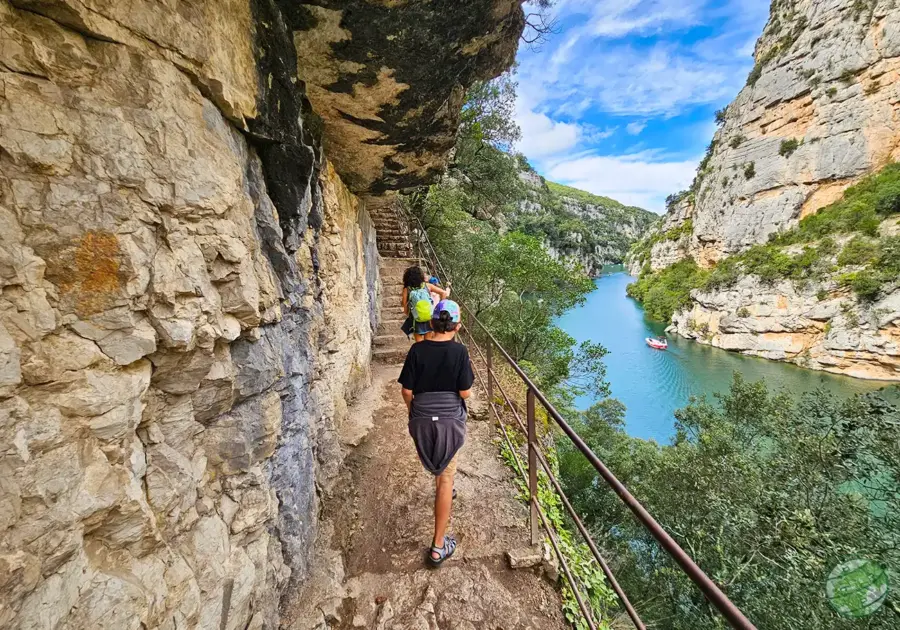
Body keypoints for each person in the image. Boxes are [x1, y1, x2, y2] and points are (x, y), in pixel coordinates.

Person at [399, 299, 473, 567]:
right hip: (449, 422)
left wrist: (413, 412)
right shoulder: (460, 353)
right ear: (458, 326)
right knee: (445, 479)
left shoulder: (417, 351)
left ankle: (443, 485)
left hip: (421, 419)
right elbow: (465, 392)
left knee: (439, 470)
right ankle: (438, 548)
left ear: (431, 323)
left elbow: (407, 391)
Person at [401, 265, 449, 342]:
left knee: (419, 343)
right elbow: (444, 293)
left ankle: (421, 353)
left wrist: (411, 314)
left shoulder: (407, 289)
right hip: (429, 317)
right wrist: (439, 310)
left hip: (415, 319)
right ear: (421, 276)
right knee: (429, 341)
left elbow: (405, 309)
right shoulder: (427, 286)